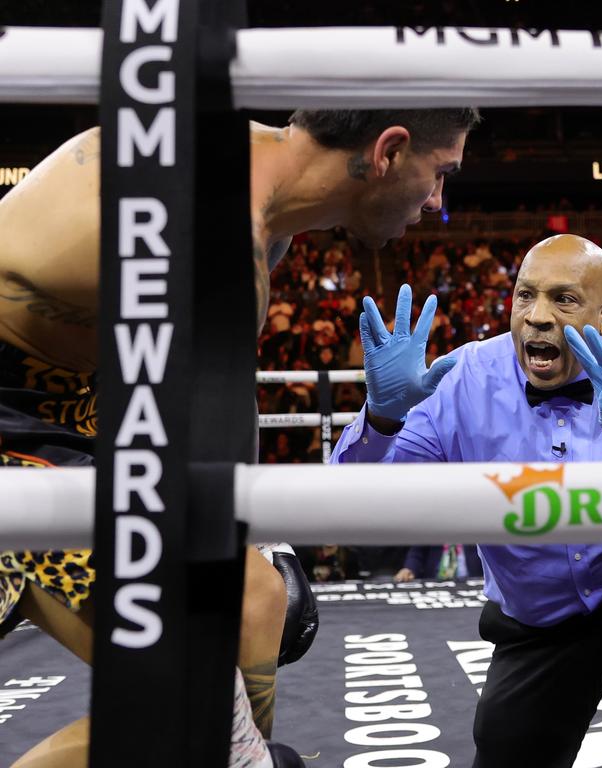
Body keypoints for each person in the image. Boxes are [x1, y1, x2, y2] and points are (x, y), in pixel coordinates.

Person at [0, 107, 480, 767]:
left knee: (258, 602)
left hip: (67, 412)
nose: (437, 201)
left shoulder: (253, 196)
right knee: (200, 700)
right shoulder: (203, 226)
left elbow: (202, 399)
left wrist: (259, 535)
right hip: (13, 438)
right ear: (390, 151)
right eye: (440, 173)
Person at [332, 234, 602, 768]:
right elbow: (354, 511)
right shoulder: (462, 378)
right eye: (524, 295)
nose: (537, 316)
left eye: (563, 299)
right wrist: (381, 419)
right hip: (537, 612)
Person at [395, 544, 484, 582]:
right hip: (435, 581)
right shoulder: (430, 523)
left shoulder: (476, 522)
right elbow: (417, 553)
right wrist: (409, 569)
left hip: (473, 580)